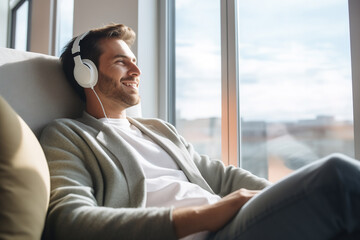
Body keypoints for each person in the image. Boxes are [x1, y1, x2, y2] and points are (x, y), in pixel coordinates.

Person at [40, 23, 360, 240]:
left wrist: (283, 196)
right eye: (122, 62)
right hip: (208, 233)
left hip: (229, 223)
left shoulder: (158, 130)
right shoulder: (67, 135)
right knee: (338, 177)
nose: (137, 71)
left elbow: (224, 177)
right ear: (86, 74)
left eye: (135, 61)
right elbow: (71, 220)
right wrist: (205, 216)